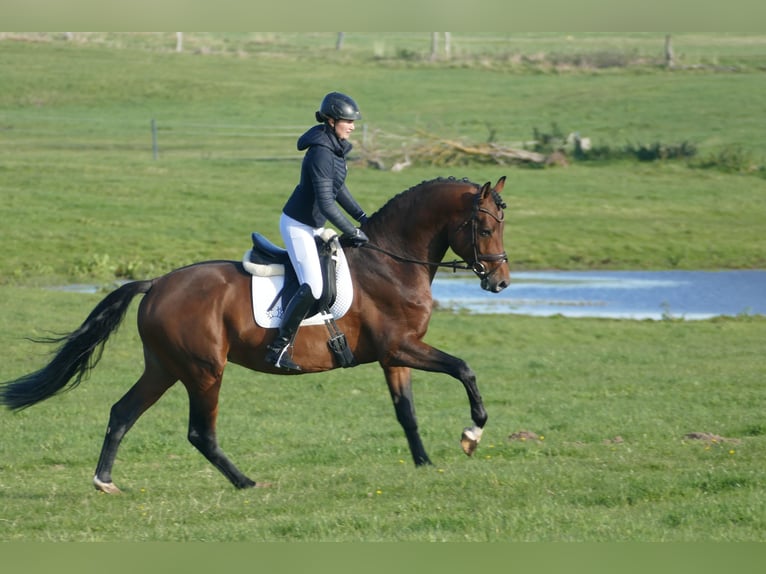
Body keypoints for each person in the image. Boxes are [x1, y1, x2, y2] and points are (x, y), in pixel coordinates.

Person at [265, 92, 370, 371]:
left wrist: (362, 217)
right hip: (298, 226)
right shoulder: (321, 153)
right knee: (313, 285)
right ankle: (277, 349)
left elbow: (339, 189)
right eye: (348, 121)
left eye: (353, 121)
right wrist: (352, 231)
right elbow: (325, 201)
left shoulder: (334, 147)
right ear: (332, 120)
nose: (352, 125)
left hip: (314, 226)